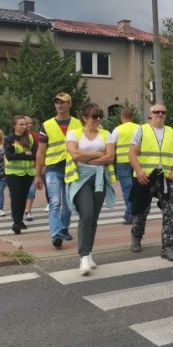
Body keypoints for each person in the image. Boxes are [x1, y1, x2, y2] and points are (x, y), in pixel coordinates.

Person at [65, 103, 116, 275]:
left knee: (94, 217)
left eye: (100, 116)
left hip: (100, 177)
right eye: (95, 116)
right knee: (86, 214)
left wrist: (91, 158)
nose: (99, 119)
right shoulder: (74, 133)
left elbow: (110, 157)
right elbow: (75, 155)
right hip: (81, 178)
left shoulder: (106, 134)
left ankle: (89, 252)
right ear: (85, 118)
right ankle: (83, 256)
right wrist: (100, 155)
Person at [129, 103, 173, 261]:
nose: (160, 114)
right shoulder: (141, 130)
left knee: (169, 211)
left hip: (165, 177)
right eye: (156, 112)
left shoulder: (171, 131)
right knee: (141, 210)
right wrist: (138, 171)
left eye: (163, 112)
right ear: (150, 114)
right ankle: (136, 236)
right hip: (145, 177)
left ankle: (168, 247)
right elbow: (132, 152)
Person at [35, 92, 82, 249]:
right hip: (53, 168)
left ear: (70, 104)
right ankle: (56, 235)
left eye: (62, 102)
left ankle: (64, 228)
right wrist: (38, 175)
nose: (59, 105)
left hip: (72, 168)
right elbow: (41, 152)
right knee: (55, 202)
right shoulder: (47, 125)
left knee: (68, 203)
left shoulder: (78, 124)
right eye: (57, 102)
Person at [5, 115, 37, 235]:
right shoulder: (9, 139)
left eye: (26, 124)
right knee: (16, 195)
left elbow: (34, 154)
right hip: (13, 172)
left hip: (28, 172)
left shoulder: (30, 137)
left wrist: (25, 155)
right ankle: (16, 223)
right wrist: (25, 155)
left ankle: (19, 221)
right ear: (14, 126)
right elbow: (9, 156)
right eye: (21, 124)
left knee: (23, 196)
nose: (25, 126)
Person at [111, 108, 139, 225]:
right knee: (137, 189)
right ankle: (132, 212)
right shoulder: (139, 128)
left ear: (122, 117)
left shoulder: (117, 130)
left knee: (127, 189)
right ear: (132, 117)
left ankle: (131, 214)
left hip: (122, 162)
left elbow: (112, 145)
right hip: (137, 162)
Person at [23, 116, 44, 222]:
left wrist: (42, 166)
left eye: (31, 123)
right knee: (18, 192)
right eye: (27, 123)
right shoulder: (13, 137)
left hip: (33, 167)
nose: (29, 125)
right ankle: (18, 210)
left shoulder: (36, 136)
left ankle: (28, 211)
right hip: (18, 170)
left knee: (31, 190)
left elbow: (41, 152)